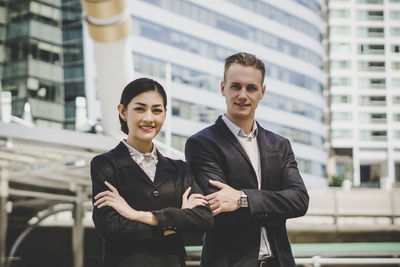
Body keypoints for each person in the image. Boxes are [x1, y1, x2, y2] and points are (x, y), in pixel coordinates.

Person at [185, 52, 309, 267]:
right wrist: (274, 202)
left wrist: (243, 199)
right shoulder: (202, 144)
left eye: (251, 88)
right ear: (223, 88)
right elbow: (219, 207)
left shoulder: (279, 145)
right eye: (236, 86)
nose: (243, 95)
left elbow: (299, 200)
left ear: (262, 92)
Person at [91, 78, 213, 267]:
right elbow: (112, 228)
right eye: (140, 109)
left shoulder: (180, 169)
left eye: (157, 110)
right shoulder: (105, 165)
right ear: (123, 112)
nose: (149, 118)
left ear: (165, 114)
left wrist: (136, 214)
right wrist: (175, 222)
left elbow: (203, 219)